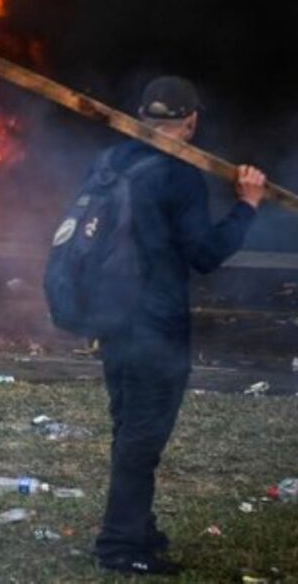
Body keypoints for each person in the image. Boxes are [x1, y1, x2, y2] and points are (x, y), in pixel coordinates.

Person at [94, 76, 265, 576]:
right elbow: (206, 253)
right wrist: (247, 205)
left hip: (112, 315)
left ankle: (138, 529)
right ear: (190, 121)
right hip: (155, 324)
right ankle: (120, 546)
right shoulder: (179, 174)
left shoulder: (110, 161)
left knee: (130, 427)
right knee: (143, 435)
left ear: (144, 115)